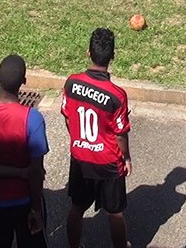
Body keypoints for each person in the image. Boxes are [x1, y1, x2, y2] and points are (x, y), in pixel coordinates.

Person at [0, 54, 49, 248]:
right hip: (24, 201)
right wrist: (36, 209)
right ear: (24, 82)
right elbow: (35, 172)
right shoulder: (33, 119)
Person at [62, 28, 132, 248]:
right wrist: (126, 158)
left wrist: (78, 140)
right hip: (108, 162)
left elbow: (67, 116)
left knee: (77, 206)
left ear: (87, 52)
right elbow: (121, 134)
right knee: (115, 212)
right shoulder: (116, 95)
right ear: (113, 56)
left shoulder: (71, 83)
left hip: (80, 157)